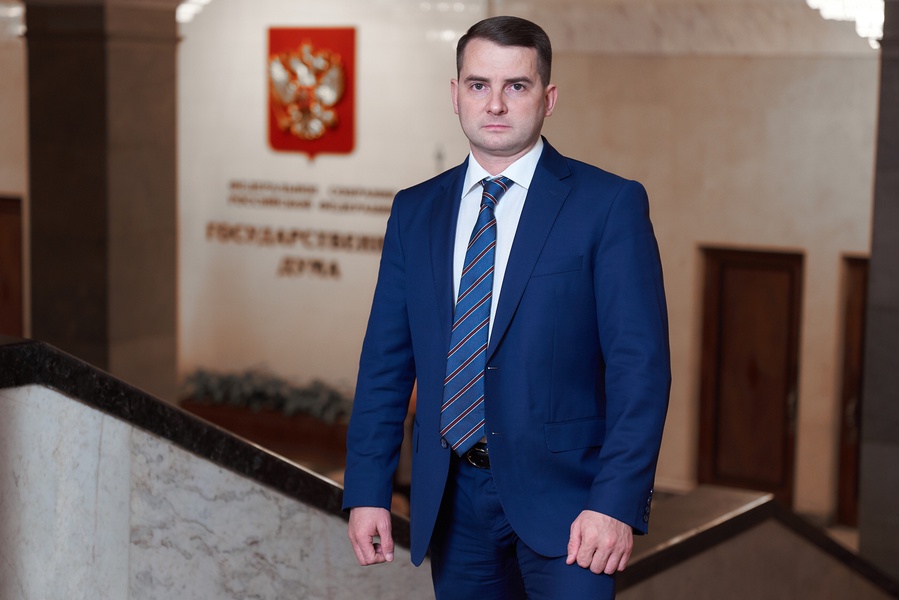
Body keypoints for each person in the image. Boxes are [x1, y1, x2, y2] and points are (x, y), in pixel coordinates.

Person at [343, 15, 670, 599]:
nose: (495, 104)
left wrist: (616, 503)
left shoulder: (608, 205)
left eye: (516, 85)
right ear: (455, 95)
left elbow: (639, 368)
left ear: (548, 98)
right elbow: (385, 366)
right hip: (454, 503)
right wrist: (369, 488)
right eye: (479, 85)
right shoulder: (414, 212)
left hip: (573, 509)